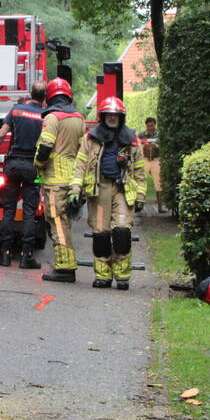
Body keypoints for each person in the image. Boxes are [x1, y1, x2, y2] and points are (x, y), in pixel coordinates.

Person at [69, 97, 146, 290]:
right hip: (100, 190)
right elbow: (80, 165)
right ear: (102, 116)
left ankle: (122, 277)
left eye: (116, 115)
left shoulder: (132, 139)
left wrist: (141, 196)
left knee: (121, 233)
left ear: (121, 117)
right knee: (101, 235)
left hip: (122, 190)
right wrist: (75, 189)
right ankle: (103, 275)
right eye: (109, 114)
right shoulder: (91, 138)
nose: (112, 117)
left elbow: (140, 171)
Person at [0, 81, 47, 269]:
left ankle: (5, 254)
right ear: (44, 98)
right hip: (32, 168)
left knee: (9, 210)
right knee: (29, 212)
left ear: (30, 94)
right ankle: (26, 256)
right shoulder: (45, 115)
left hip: (12, 166)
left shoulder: (16, 111)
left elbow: (1, 135)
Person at [33, 77, 86, 283]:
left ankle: (64, 268)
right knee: (65, 223)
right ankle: (68, 264)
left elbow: (45, 146)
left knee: (56, 222)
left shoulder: (52, 118)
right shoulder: (79, 119)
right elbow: (84, 151)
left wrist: (37, 164)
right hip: (73, 179)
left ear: (50, 97)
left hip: (55, 180)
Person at [138, 117, 162, 213]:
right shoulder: (141, 135)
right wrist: (144, 146)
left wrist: (156, 146)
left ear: (155, 125)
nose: (150, 128)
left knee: (159, 183)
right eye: (148, 126)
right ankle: (139, 205)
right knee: (141, 182)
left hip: (156, 160)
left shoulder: (159, 134)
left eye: (152, 126)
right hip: (145, 160)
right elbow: (137, 147)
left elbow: (163, 146)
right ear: (146, 126)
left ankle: (160, 206)